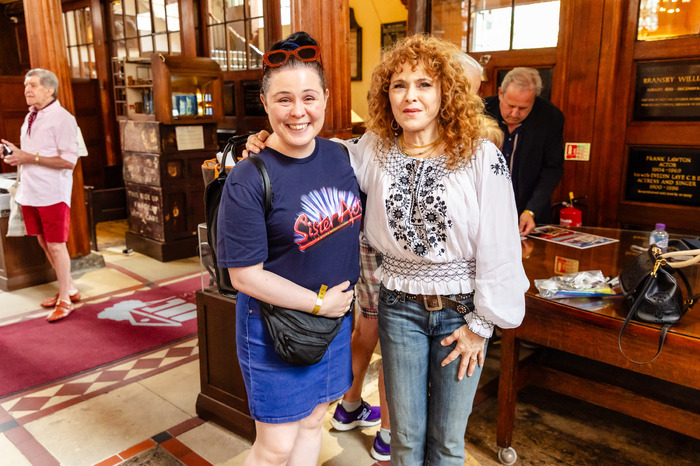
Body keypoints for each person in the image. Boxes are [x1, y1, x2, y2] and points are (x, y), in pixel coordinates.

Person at [247, 34, 529, 465]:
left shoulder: (480, 156)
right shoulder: (373, 151)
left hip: (461, 311)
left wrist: (482, 324)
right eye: (399, 85)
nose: (410, 96)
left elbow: (502, 244)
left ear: (446, 93)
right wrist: (268, 140)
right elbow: (315, 150)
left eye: (424, 85)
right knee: (405, 438)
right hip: (398, 307)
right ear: (386, 95)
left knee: (448, 442)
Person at [216, 32, 360, 466]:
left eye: (309, 97)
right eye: (283, 99)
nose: (298, 112)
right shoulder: (248, 176)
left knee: (316, 420)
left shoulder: (340, 156)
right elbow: (243, 276)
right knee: (275, 446)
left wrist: (331, 310)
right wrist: (319, 304)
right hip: (274, 326)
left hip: (334, 321)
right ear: (265, 103)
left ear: (326, 98)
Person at [1, 68, 81, 322]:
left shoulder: (64, 119)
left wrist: (29, 157)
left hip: (52, 193)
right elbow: (32, 153)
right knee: (44, 242)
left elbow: (69, 161)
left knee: (57, 245)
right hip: (30, 191)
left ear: (49, 89)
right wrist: (16, 153)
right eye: (26, 85)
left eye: (33, 85)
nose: (27, 90)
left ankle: (65, 300)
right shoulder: (30, 117)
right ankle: (70, 289)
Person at [484, 67, 565, 236]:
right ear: (500, 93)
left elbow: (552, 168)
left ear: (533, 100)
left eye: (523, 108)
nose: (514, 113)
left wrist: (531, 210)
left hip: (528, 212)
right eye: (510, 105)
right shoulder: (481, 110)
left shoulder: (550, 118)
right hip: (485, 211)